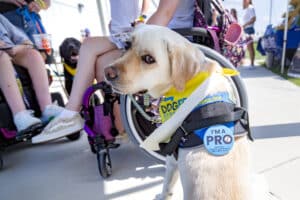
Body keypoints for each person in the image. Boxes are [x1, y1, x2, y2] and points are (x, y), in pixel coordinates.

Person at [32, 0, 195, 143]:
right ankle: (113, 124)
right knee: (97, 55)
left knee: (95, 52)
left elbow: (164, 14)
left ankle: (76, 115)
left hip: (170, 44)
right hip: (162, 38)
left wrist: (132, 31)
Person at [0, 14, 63, 140]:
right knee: (1, 57)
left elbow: (25, 40)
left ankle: (47, 108)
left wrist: (18, 48)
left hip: (10, 50)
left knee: (33, 54)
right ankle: (20, 116)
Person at [242, 0, 256, 67]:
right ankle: (251, 63)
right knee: (249, 48)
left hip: (249, 29)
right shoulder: (247, 9)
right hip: (246, 30)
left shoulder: (250, 7)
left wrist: (245, 25)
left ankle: (252, 64)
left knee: (250, 48)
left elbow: (253, 19)